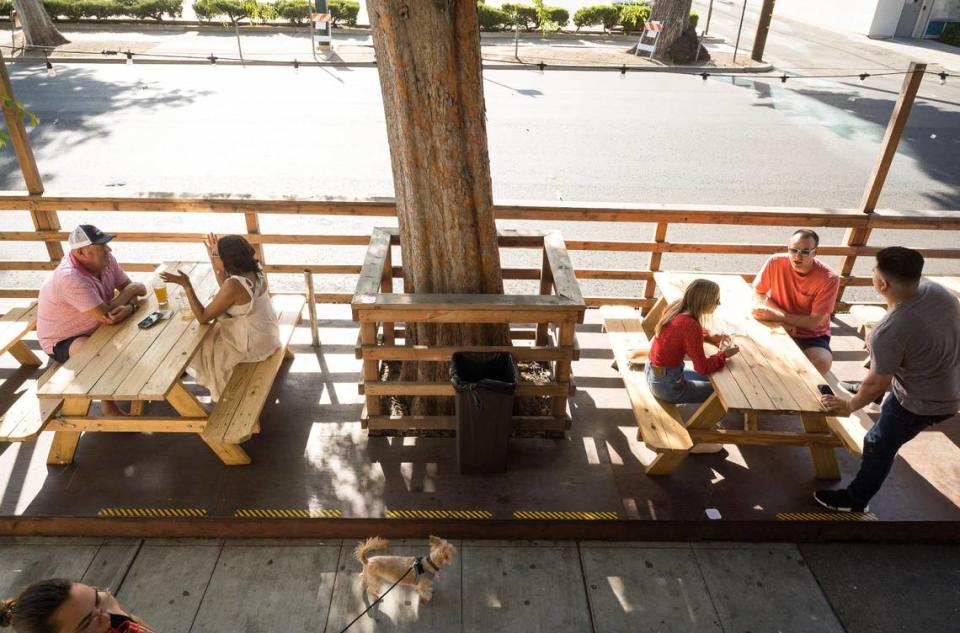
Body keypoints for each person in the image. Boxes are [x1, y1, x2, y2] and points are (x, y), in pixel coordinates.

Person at [816, 247, 960, 513]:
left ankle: (855, 500)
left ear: (882, 284)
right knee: (885, 373)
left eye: (873, 272)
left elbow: (877, 382)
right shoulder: (938, 293)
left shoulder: (890, 331)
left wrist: (850, 405)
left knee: (877, 443)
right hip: (950, 380)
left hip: (920, 404)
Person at [36, 225, 147, 416]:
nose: (109, 250)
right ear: (80, 252)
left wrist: (130, 307)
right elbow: (107, 313)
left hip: (95, 325)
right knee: (97, 354)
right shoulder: (70, 277)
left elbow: (130, 288)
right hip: (63, 339)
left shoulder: (107, 260)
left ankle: (145, 377)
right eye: (101, 247)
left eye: (106, 245)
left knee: (141, 326)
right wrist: (130, 294)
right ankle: (109, 407)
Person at [161, 233, 281, 402]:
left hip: (252, 347)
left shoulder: (234, 285)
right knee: (209, 334)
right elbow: (226, 287)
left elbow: (203, 317)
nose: (213, 256)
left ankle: (178, 373)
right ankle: (183, 369)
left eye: (216, 254)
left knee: (195, 340)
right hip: (268, 336)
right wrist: (214, 260)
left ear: (228, 259)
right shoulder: (254, 273)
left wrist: (187, 285)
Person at [752, 229, 839, 374]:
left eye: (805, 251)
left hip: (811, 334)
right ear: (788, 249)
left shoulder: (829, 278)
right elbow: (758, 292)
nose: (797, 256)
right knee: (751, 353)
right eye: (793, 250)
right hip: (776, 323)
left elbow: (813, 322)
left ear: (815, 253)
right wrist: (780, 318)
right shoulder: (775, 261)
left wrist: (778, 316)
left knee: (822, 362)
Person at [643, 279, 739, 405]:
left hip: (653, 373)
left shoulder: (676, 307)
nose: (719, 303)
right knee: (726, 391)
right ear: (704, 302)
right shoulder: (691, 325)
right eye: (716, 300)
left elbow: (680, 331)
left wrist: (708, 334)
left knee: (718, 377)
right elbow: (702, 367)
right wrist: (724, 354)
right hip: (667, 387)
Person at [1, 578, 154, 632]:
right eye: (88, 622)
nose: (106, 615)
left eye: (97, 600)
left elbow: (131, 619)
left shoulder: (105, 610)